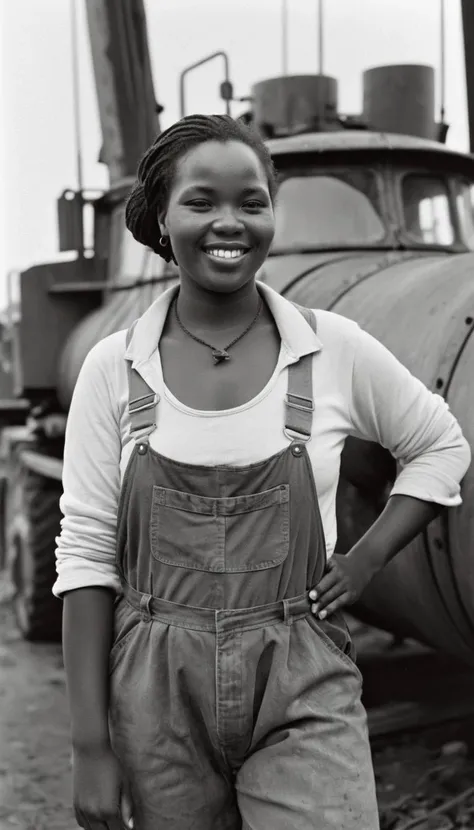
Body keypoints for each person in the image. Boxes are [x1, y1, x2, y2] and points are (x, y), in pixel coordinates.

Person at [54, 114, 471, 830]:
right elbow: (87, 556)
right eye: (201, 201)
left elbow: (441, 445)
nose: (230, 222)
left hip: (302, 673)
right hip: (156, 692)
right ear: (160, 216)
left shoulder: (330, 348)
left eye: (252, 202)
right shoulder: (115, 369)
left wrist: (368, 557)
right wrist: (91, 746)